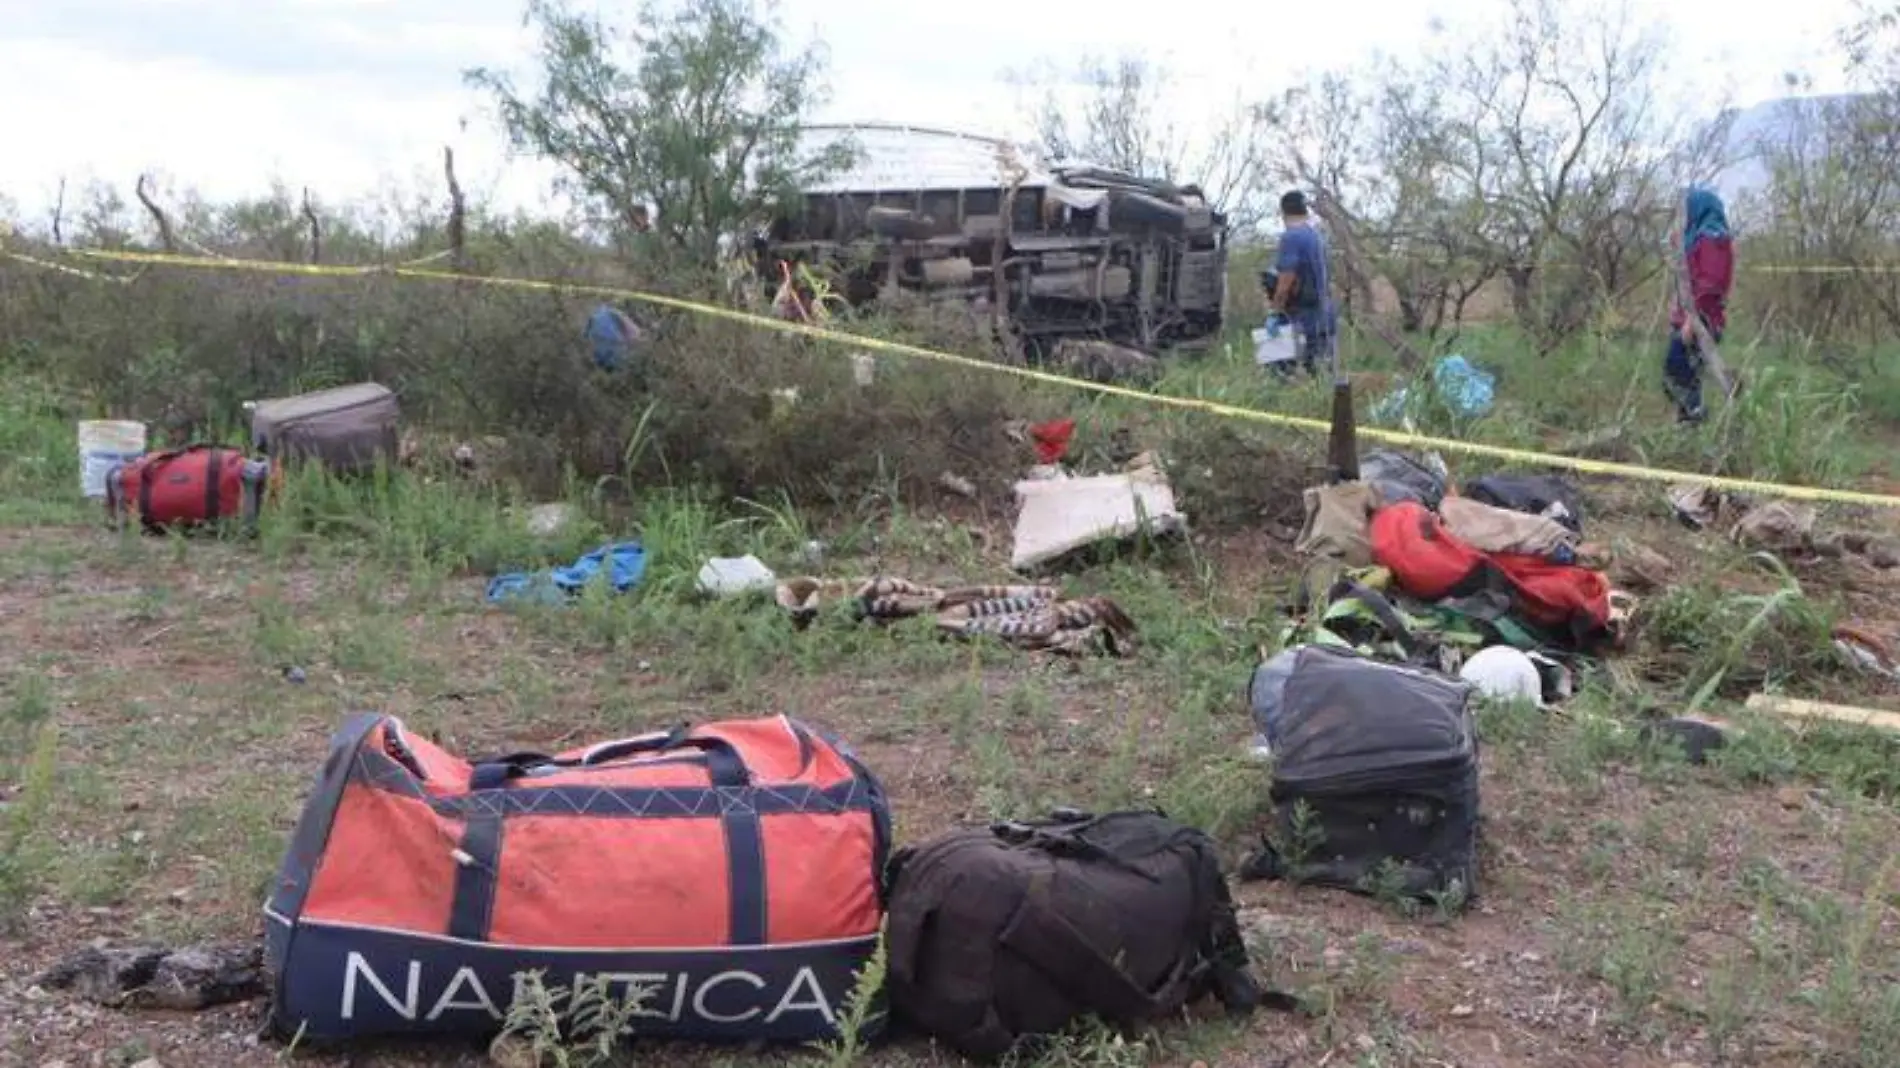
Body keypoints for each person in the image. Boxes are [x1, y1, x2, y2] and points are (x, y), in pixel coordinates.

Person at [1667, 187, 1734, 424]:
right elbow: (1687, 277)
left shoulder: (1713, 238)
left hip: (1701, 319)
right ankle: (1689, 421)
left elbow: (1710, 284)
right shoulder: (1695, 238)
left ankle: (1695, 418)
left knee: (1677, 368)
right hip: (1689, 317)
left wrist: (1692, 322)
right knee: (1683, 372)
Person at [1268, 189, 1337, 379]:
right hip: (1324, 311)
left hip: (1302, 315)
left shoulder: (1291, 237)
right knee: (1322, 371)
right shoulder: (1317, 236)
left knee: (1279, 370)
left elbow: (1286, 279)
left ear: (1283, 212)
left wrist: (1274, 311)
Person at [585, 301, 644, 373]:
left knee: (605, 355)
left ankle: (606, 370)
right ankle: (609, 370)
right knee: (610, 356)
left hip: (606, 340)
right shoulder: (611, 312)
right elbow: (625, 325)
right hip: (612, 340)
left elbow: (587, 328)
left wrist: (586, 334)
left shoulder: (599, 315)